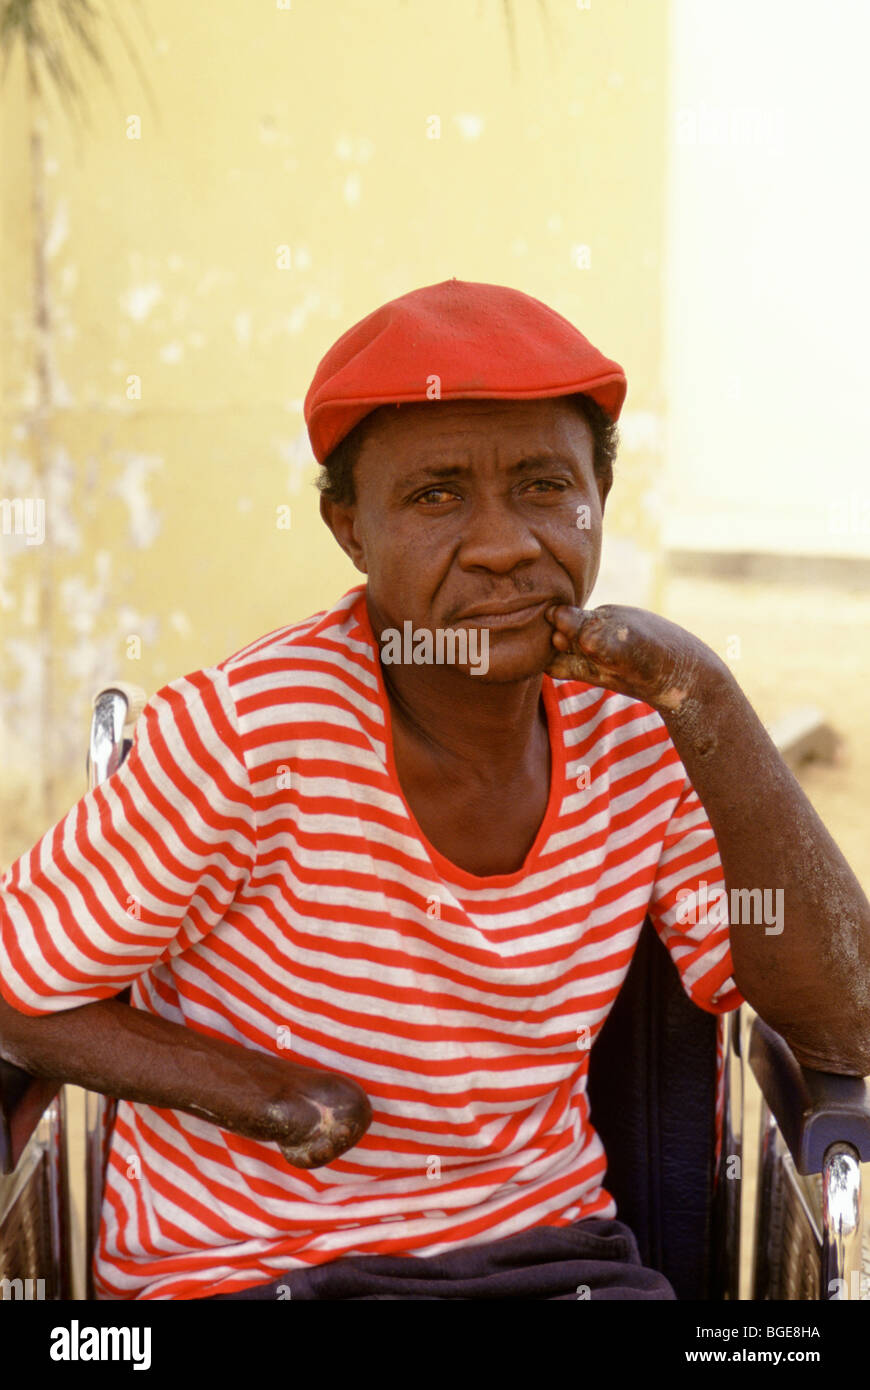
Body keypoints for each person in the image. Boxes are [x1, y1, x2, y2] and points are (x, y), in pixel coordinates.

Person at [1, 279, 868, 1301]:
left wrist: (707, 697)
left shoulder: (641, 728)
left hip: (550, 1257)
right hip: (255, 1270)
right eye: (437, 495)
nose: (503, 543)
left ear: (599, 499)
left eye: (546, 487)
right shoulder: (249, 734)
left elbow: (842, 1024)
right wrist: (265, 1093)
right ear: (349, 529)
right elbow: (17, 983)